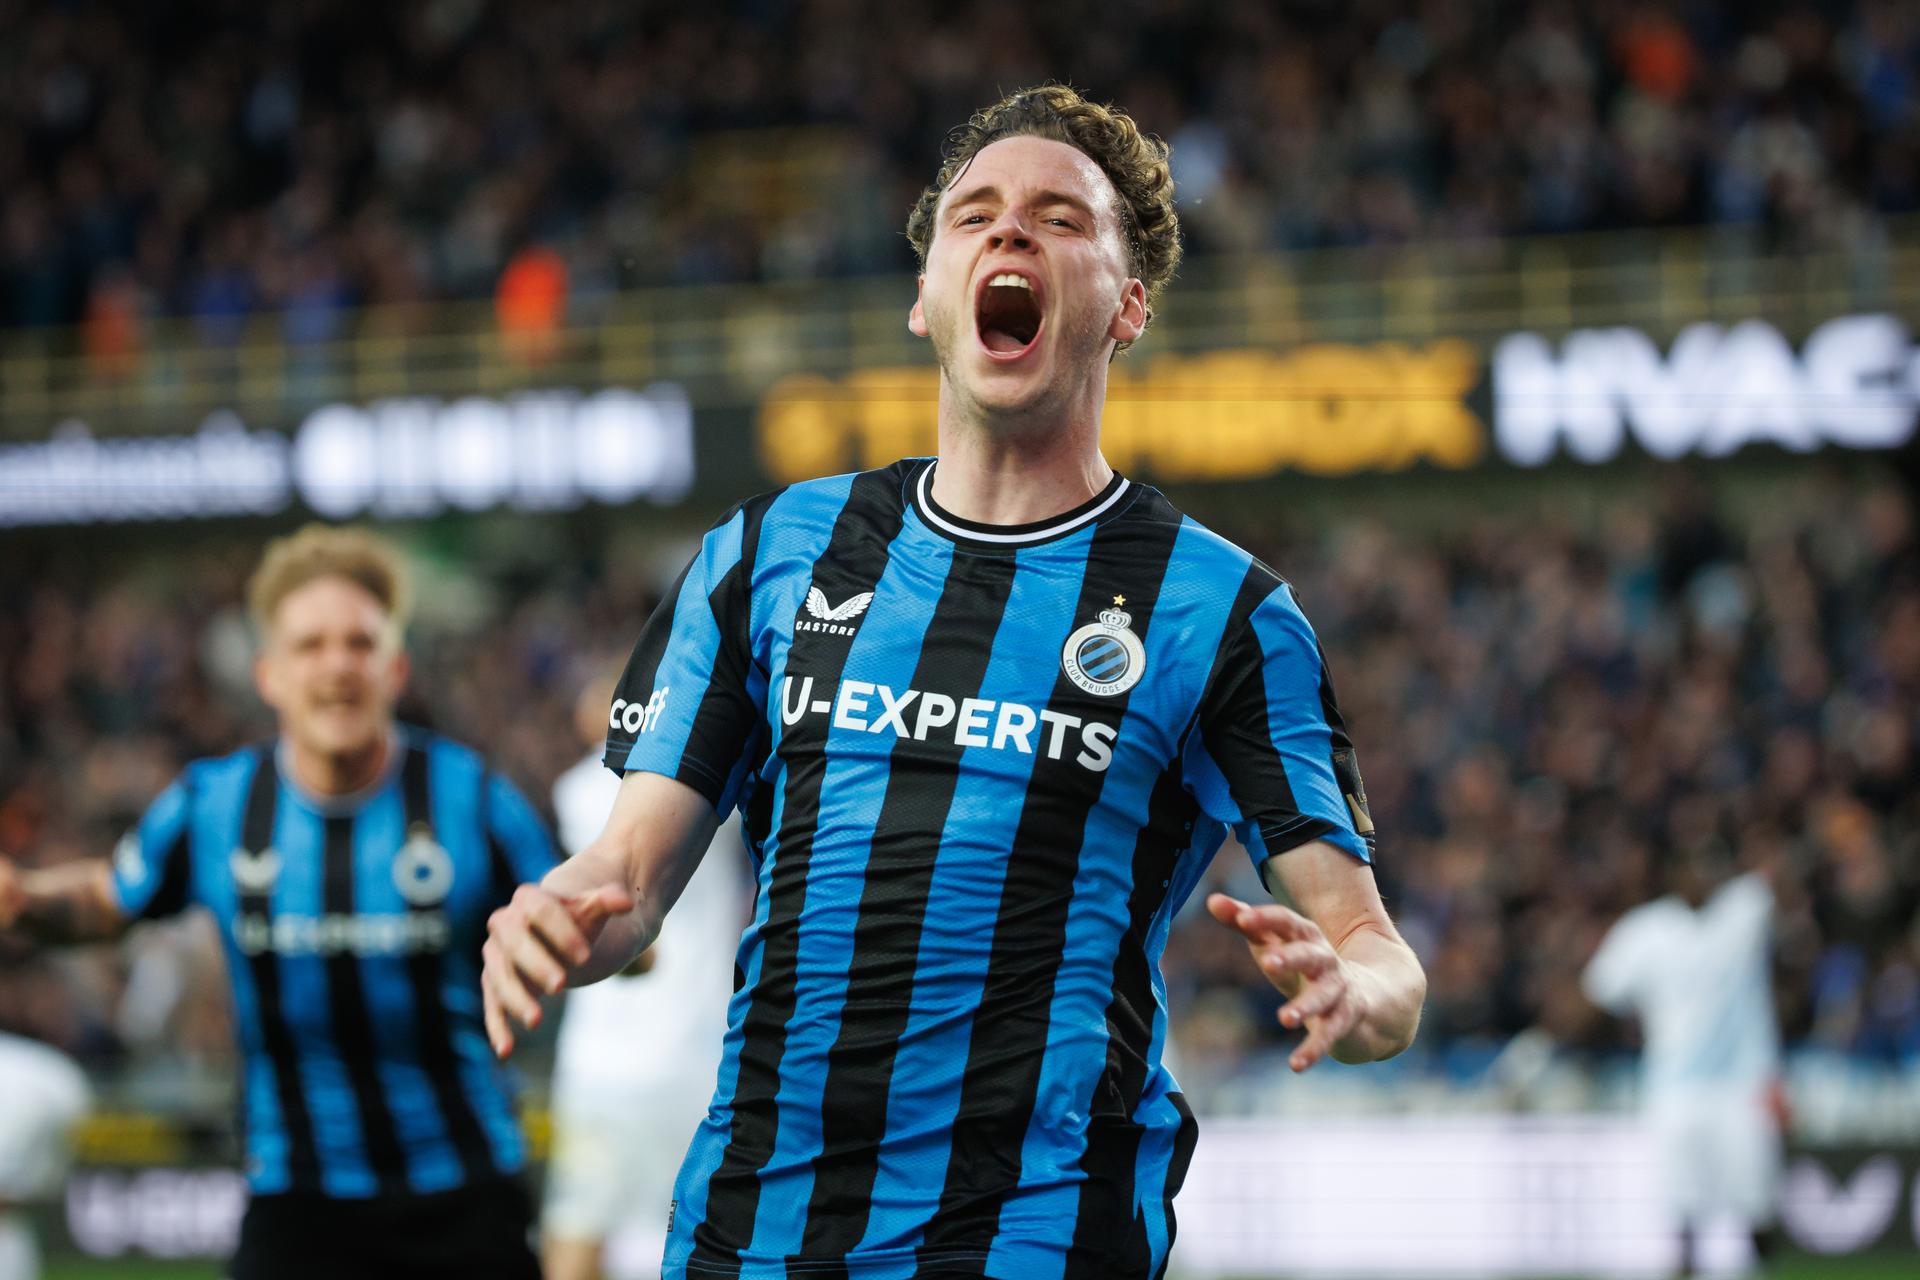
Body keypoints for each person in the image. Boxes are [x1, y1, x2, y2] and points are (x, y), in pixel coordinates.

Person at [483, 84, 1427, 1280]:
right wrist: (555, 920)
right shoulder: (770, 553)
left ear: (1128, 306)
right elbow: (625, 881)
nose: (1010, 233)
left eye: (1060, 218)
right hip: (747, 1225)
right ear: (926, 297)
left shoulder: (1223, 610)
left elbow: (1376, 947)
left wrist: (1362, 994)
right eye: (974, 215)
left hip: (1037, 1228)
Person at [0, 524, 558, 1280]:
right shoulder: (213, 805)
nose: (337, 665)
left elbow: (573, 916)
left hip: (465, 1192)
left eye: (359, 643)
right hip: (294, 1201)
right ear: (268, 673)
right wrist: (23, 897)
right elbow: (110, 898)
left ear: (395, 668)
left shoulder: (473, 798)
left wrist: (623, 940)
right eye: (310, 645)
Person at [542, 675, 743, 1280]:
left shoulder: (573, 790)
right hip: (701, 1057)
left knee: (576, 1233)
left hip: (599, 1063)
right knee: (702, 1241)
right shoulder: (724, 794)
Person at [1583, 844, 1784, 1278]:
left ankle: (1762, 1268)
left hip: (1742, 1087)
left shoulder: (1742, 911)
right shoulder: (1646, 930)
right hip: (1675, 1087)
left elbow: (1783, 870)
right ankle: (1687, 1269)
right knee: (1682, 1204)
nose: (1700, 876)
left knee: (1756, 1200)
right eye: (1691, 866)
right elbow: (1600, 992)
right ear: (1673, 878)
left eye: (1709, 866)